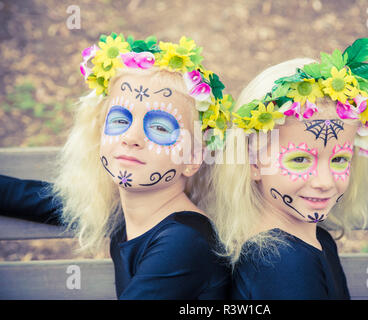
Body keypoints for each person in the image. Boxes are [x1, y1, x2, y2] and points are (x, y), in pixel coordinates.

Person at [0, 32, 232, 299]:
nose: (131, 138)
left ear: (192, 158)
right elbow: (22, 196)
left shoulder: (184, 243)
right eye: (120, 121)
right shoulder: (122, 212)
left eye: (158, 126)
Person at [200, 38, 368, 299]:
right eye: (299, 160)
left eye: (339, 160)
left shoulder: (316, 242)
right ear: (254, 162)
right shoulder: (282, 265)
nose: (324, 182)